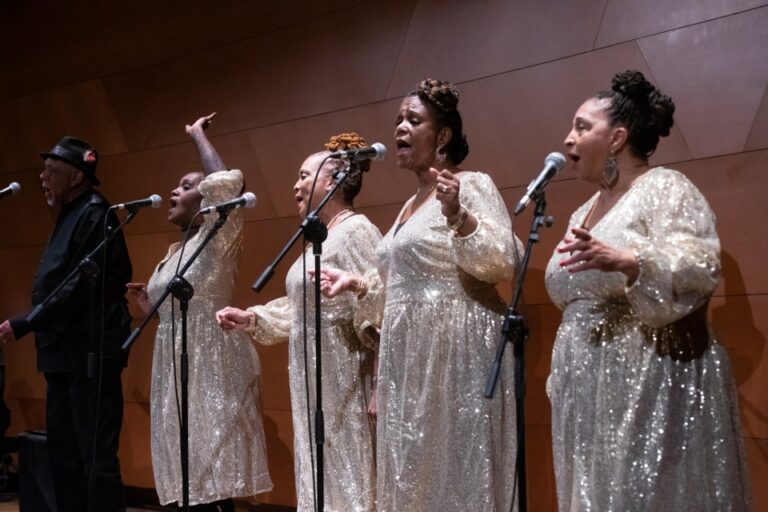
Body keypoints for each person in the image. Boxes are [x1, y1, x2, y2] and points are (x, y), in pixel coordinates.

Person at [545, 70, 751, 511]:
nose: (568, 139)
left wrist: (632, 261)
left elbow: (699, 264)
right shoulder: (583, 211)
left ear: (617, 137)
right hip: (585, 392)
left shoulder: (665, 187)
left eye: (582, 127)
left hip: (644, 380)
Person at [316, 79, 522, 511]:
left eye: (413, 120)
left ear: (443, 135)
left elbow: (504, 261)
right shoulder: (408, 207)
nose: (400, 129)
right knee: (412, 472)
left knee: (455, 469)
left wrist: (460, 216)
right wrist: (357, 285)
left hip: (458, 348)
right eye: (398, 121)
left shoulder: (472, 183)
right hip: (408, 358)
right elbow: (396, 288)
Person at [216, 132, 381, 512]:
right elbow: (300, 308)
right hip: (313, 375)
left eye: (305, 175)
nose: (296, 184)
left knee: (349, 466)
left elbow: (380, 306)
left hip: (346, 373)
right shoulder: (317, 241)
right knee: (320, 464)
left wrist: (381, 383)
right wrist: (253, 317)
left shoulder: (357, 231)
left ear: (335, 179)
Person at [126, 114, 272, 511]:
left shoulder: (219, 235)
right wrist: (154, 309)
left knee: (211, 468)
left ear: (205, 200)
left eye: (186, 186)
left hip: (212, 363)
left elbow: (227, 185)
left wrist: (196, 135)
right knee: (185, 469)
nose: (174, 192)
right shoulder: (176, 253)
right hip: (174, 363)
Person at [0, 136, 133, 512]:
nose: (42, 177)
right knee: (64, 456)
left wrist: (27, 321)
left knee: (95, 458)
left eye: (51, 171)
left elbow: (77, 284)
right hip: (63, 355)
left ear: (76, 177)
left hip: (89, 354)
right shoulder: (71, 212)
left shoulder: (95, 213)